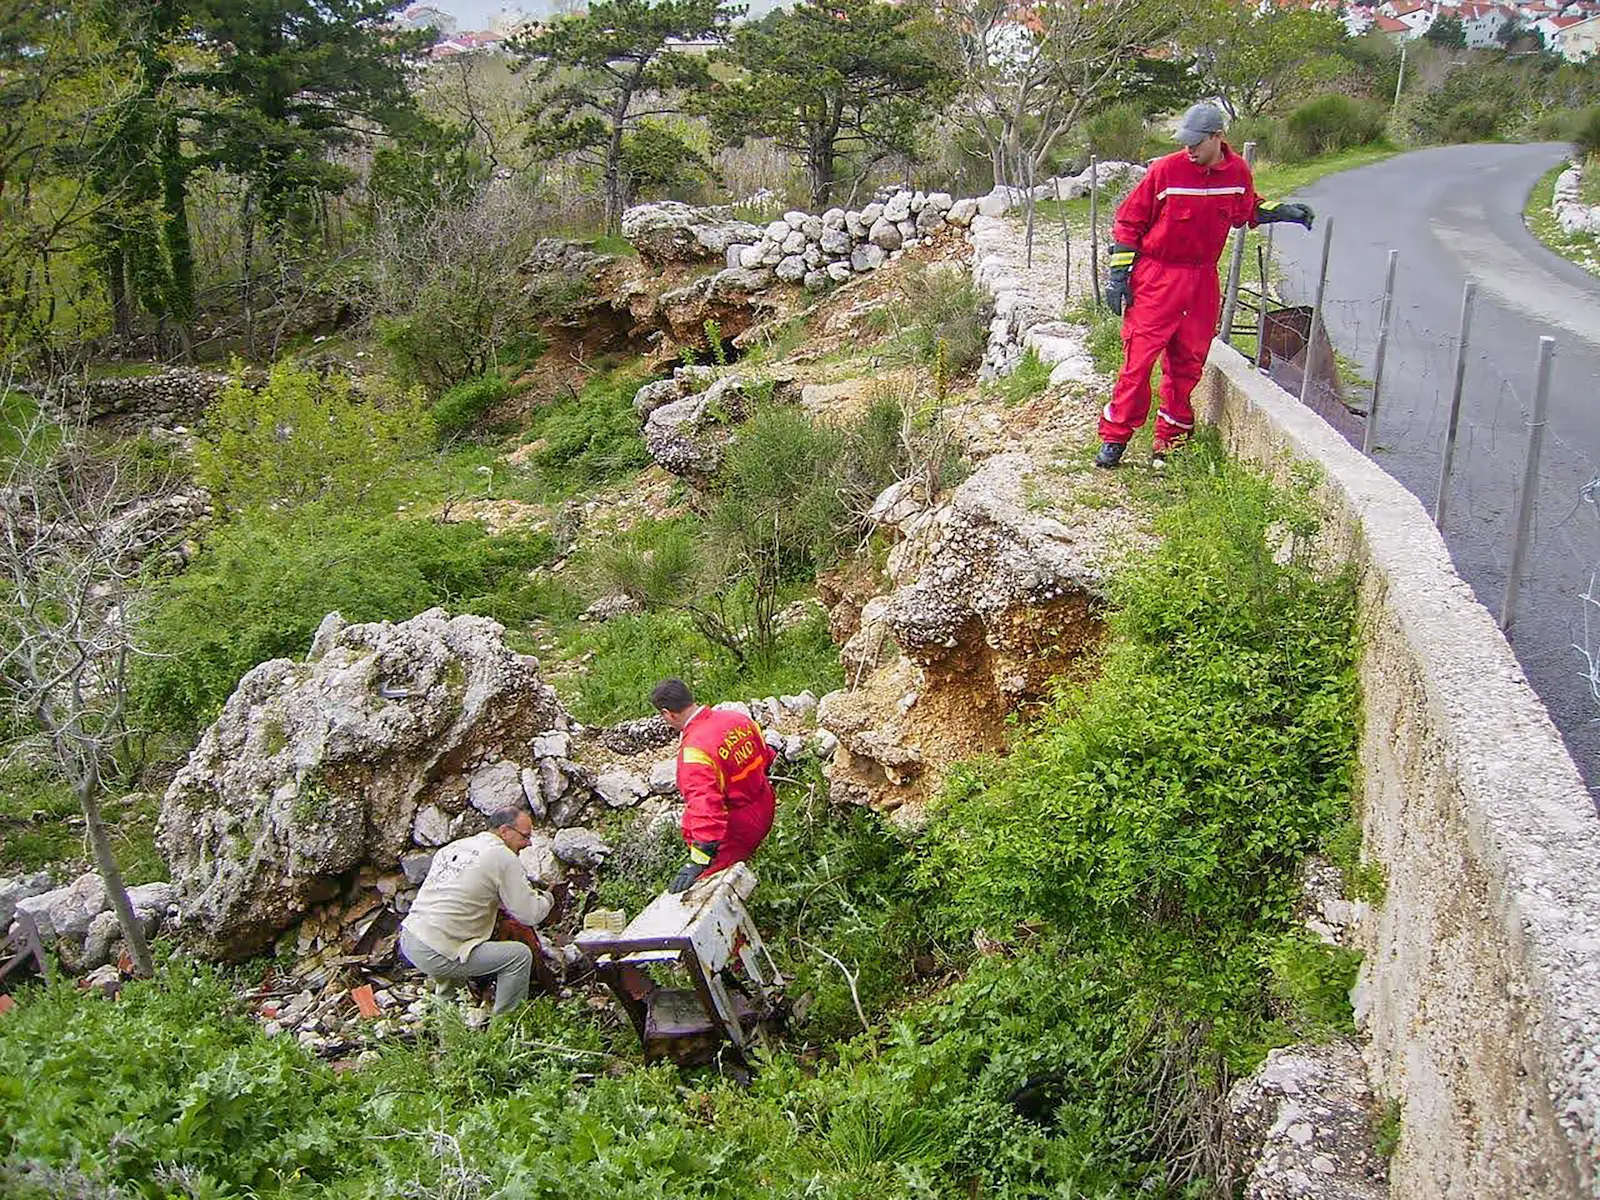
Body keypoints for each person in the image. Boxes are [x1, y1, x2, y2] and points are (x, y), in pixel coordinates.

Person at [1097, 102, 1315, 472]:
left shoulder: (1237, 172)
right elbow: (1128, 223)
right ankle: (1115, 438)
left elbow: (1247, 209)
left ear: (1218, 137)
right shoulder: (1166, 171)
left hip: (1202, 282)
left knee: (1187, 366)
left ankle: (1171, 442)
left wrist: (1283, 211)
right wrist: (1119, 275)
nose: (1190, 149)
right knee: (1138, 363)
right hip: (1157, 278)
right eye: (1186, 142)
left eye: (1197, 142)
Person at [399, 805, 553, 1018]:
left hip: (411, 937)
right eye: (525, 836)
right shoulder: (503, 857)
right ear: (505, 831)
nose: (528, 844)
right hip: (436, 949)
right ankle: (505, 1029)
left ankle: (450, 1039)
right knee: (518, 957)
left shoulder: (455, 847)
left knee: (452, 971)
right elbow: (529, 914)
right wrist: (547, 899)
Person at [651, 678, 777, 894]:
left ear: (667, 713)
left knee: (713, 891)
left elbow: (706, 808)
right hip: (764, 804)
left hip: (736, 830)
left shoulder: (695, 753)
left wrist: (699, 862)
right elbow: (766, 756)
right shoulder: (737, 719)